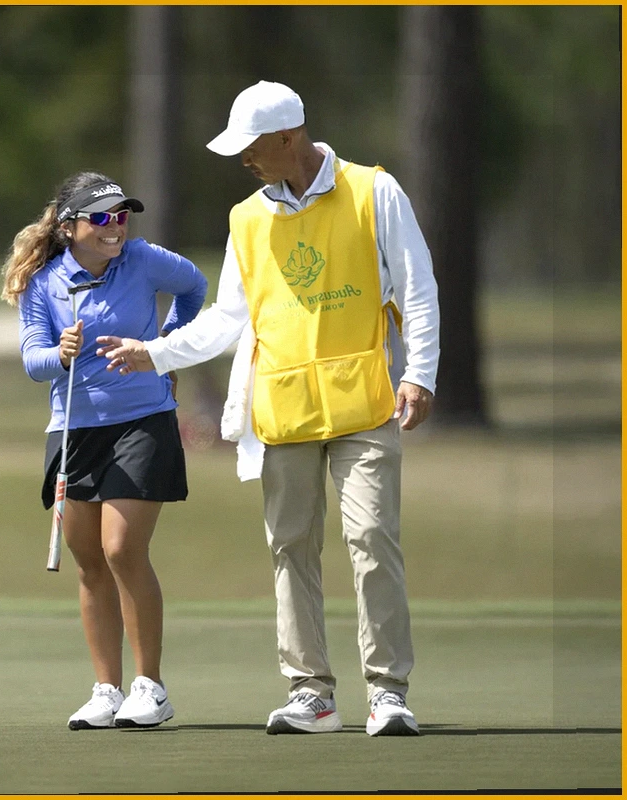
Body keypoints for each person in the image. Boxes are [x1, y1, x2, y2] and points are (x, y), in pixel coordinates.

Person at [97, 81, 440, 737]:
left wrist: (419, 373)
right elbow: (228, 318)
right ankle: (312, 694)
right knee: (290, 549)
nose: (244, 160)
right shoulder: (247, 218)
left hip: (365, 400)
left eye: (251, 147)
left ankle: (388, 693)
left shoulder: (373, 191)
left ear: (289, 137)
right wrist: (156, 353)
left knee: (372, 540)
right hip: (283, 409)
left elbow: (417, 287)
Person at [1, 171, 208, 730]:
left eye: (121, 216)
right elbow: (33, 360)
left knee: (121, 549)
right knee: (90, 560)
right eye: (101, 217)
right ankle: (106, 690)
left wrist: (163, 349)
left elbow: (194, 286)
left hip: (143, 420)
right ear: (70, 227)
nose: (115, 227)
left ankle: (151, 687)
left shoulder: (141, 259)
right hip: (74, 429)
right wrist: (61, 354)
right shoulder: (44, 283)